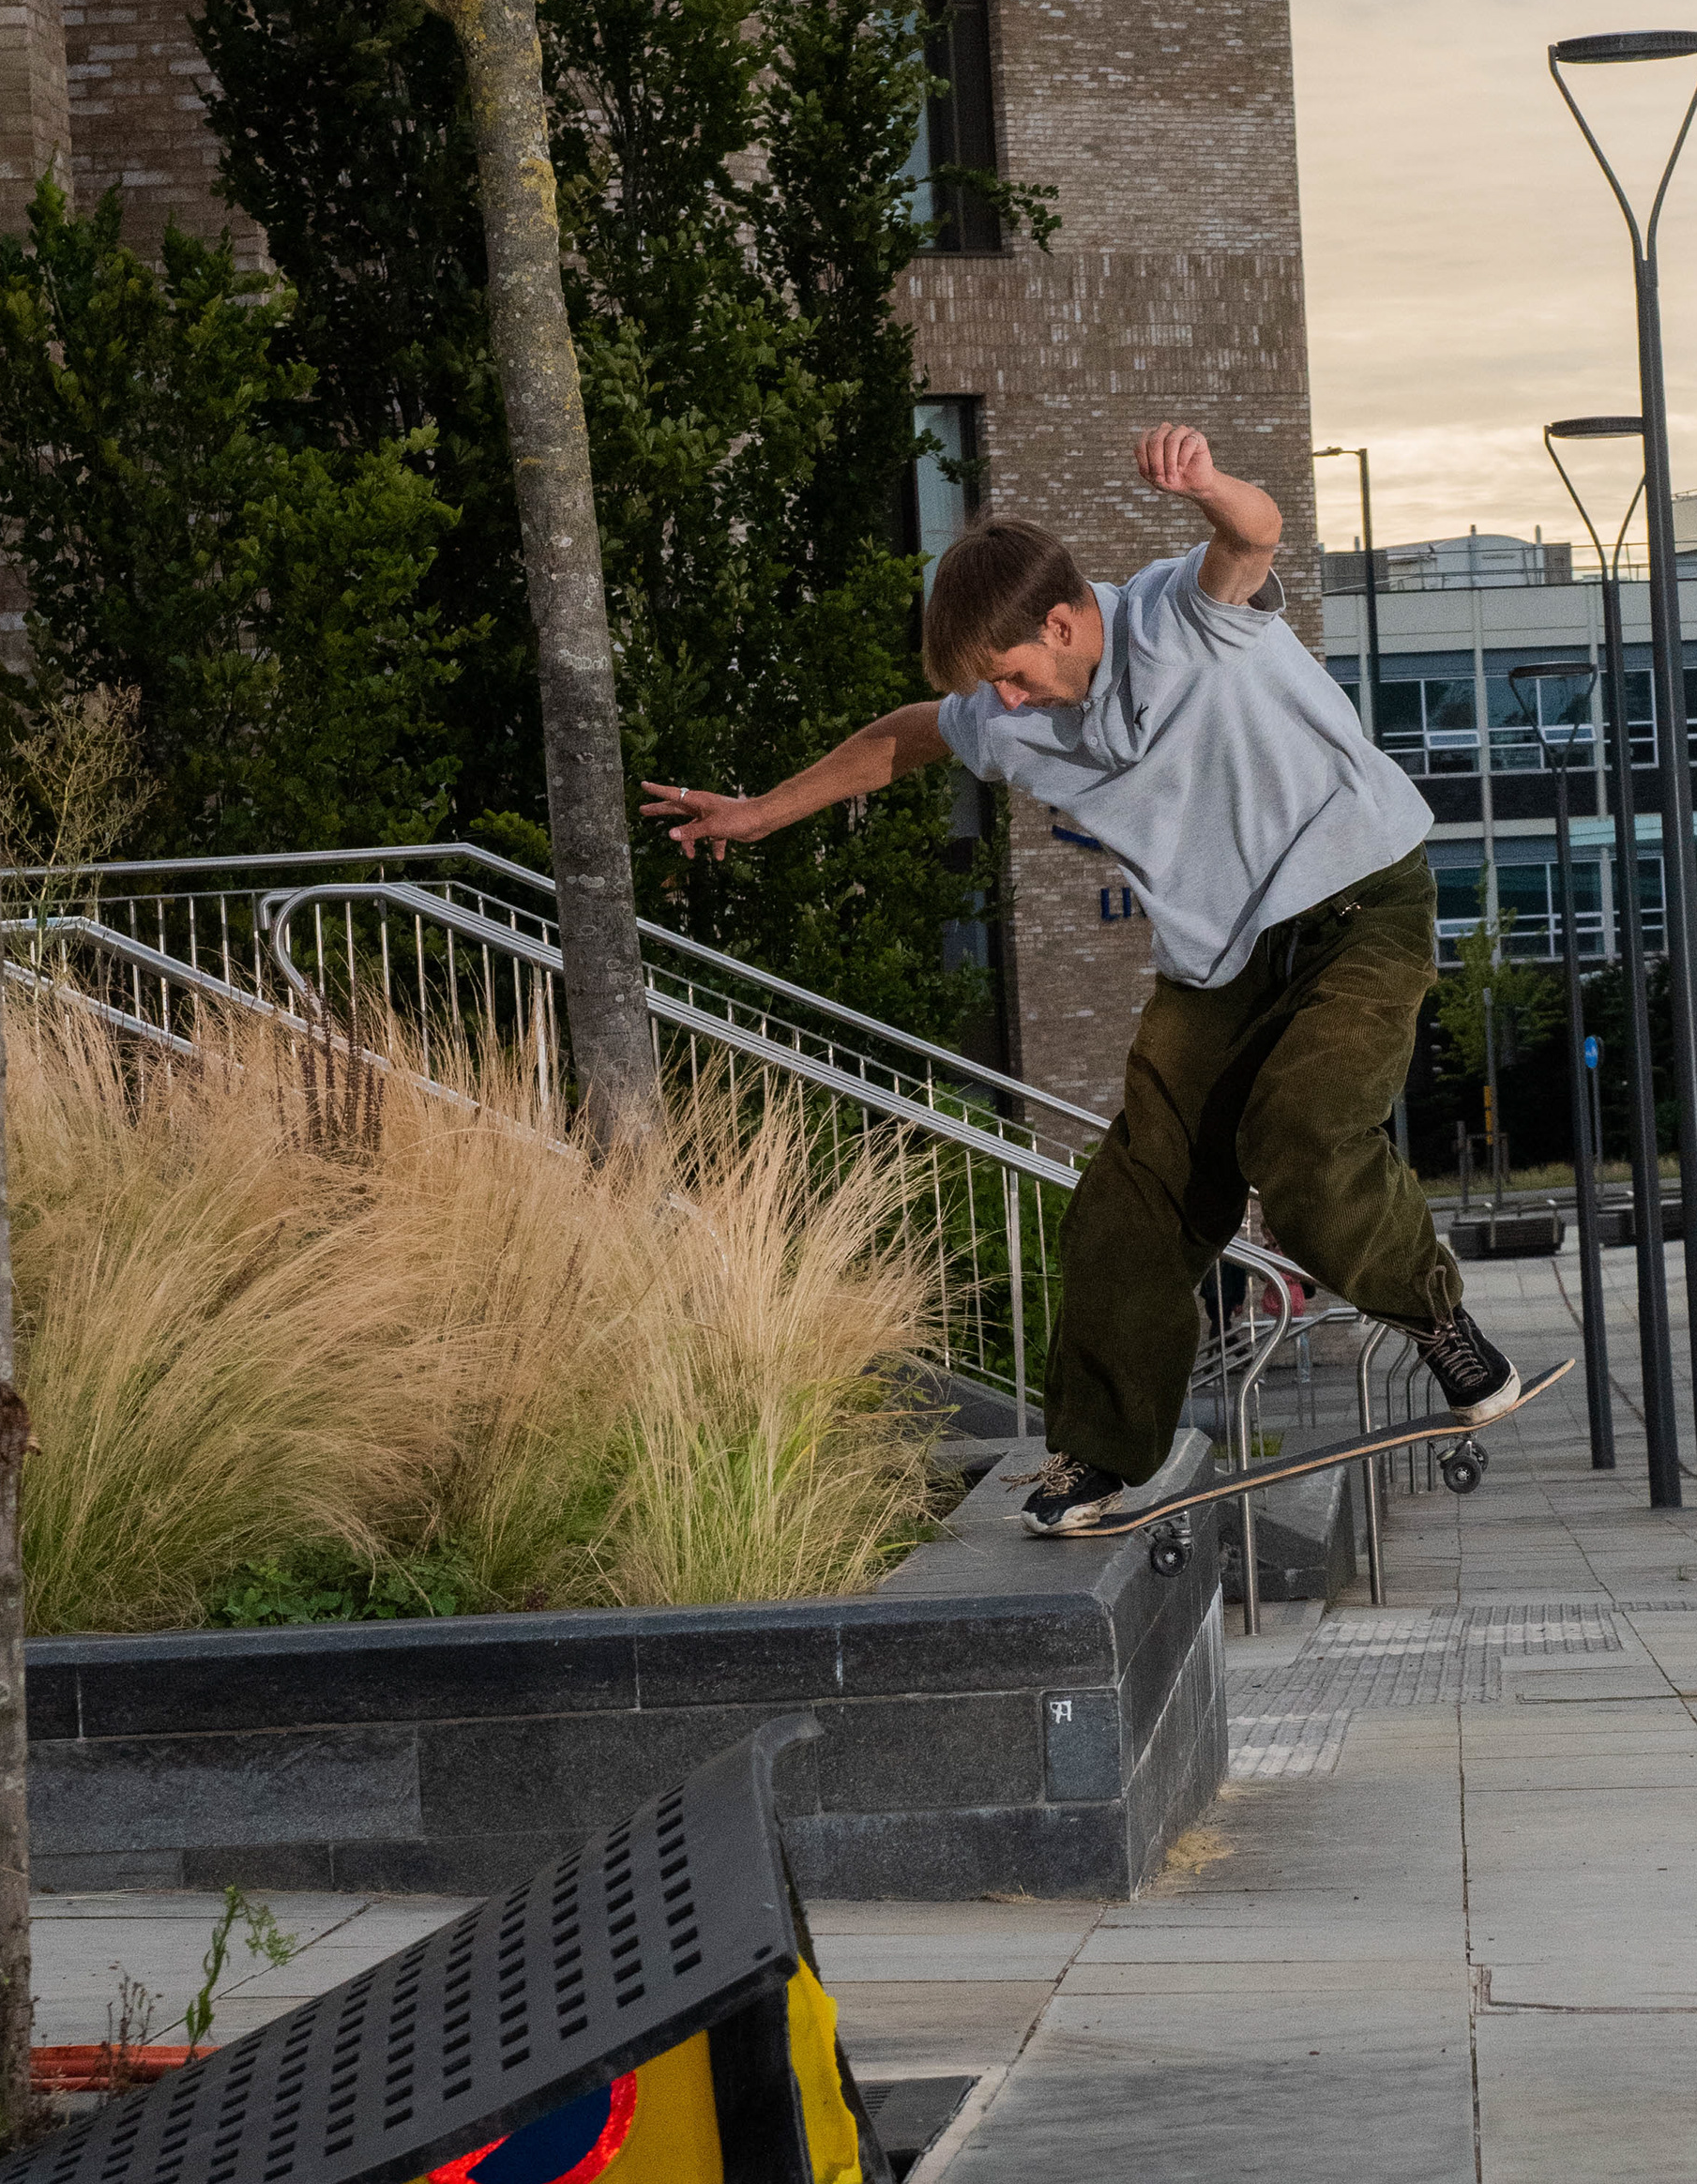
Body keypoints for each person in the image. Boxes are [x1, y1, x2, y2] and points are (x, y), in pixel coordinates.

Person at [645, 424, 1526, 1532]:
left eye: (1013, 677)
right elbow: (908, 736)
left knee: (1300, 1135)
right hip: (1219, 964)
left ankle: (1437, 1320)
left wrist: (1205, 484)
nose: (1005, 709)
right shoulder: (1007, 714)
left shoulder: (1181, 618)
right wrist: (761, 811)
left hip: (1361, 906)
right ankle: (1099, 1457)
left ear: (1063, 622)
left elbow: (1253, 536)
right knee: (1132, 1202)